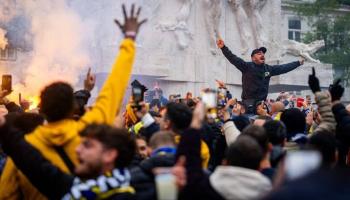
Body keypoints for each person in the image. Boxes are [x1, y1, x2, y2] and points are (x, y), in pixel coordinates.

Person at [0, 4, 146, 199]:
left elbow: (6, 194)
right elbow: (114, 87)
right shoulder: (88, 129)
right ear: (73, 108)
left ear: (41, 108)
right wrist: (129, 40)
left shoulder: (23, 151)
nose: (80, 150)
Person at [0, 119, 137, 199]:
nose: (77, 149)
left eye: (88, 145)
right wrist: (4, 127)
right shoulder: (80, 188)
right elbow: (35, 164)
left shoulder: (128, 197)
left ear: (109, 155)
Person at [217, 39, 305, 114]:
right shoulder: (246, 66)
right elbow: (233, 58)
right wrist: (223, 48)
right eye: (259, 53)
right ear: (252, 58)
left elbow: (283, 68)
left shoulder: (268, 69)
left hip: (261, 106)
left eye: (263, 54)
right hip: (247, 105)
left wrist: (297, 63)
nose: (262, 55)